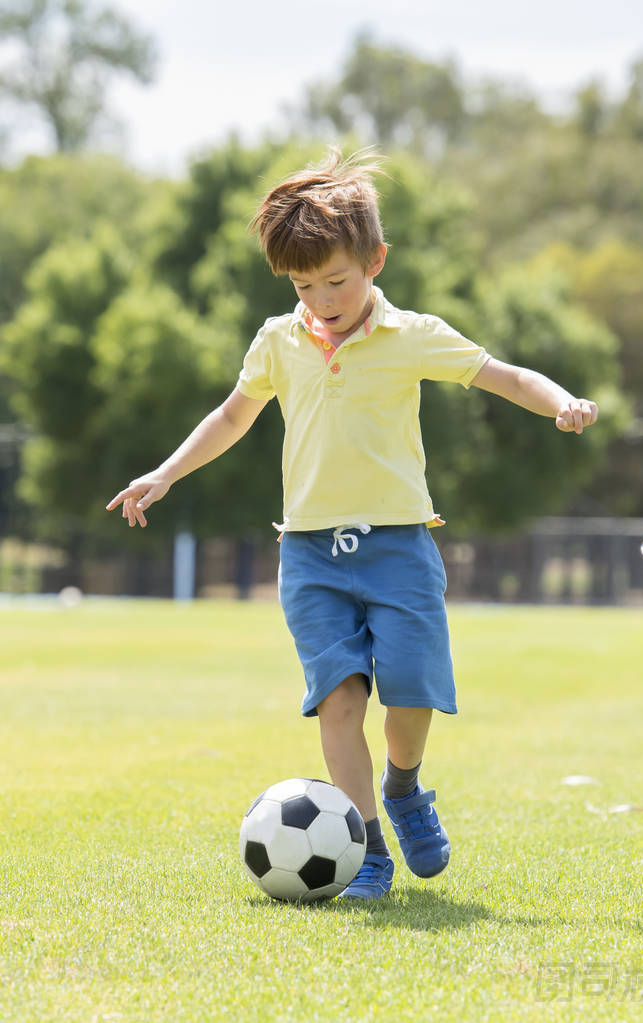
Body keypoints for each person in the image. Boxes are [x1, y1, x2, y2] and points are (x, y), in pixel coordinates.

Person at [106, 150, 598, 899]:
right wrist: (166, 471)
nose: (321, 298)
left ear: (375, 260)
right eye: (304, 285)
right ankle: (366, 849)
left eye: (335, 280)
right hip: (309, 554)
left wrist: (562, 401)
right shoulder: (278, 341)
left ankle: (404, 787)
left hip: (399, 546)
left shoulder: (413, 334)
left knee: (411, 698)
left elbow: (504, 375)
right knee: (338, 701)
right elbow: (233, 416)